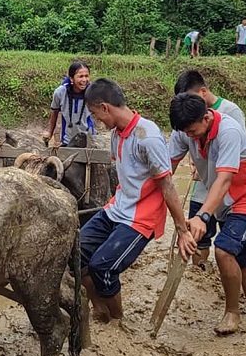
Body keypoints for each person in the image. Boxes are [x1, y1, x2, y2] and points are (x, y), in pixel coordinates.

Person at [77, 78, 190, 325]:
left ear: (106, 107)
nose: (98, 121)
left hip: (141, 217)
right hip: (117, 207)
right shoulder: (117, 134)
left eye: (97, 115)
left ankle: (117, 320)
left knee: (103, 268)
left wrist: (182, 230)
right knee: (76, 256)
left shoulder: (147, 136)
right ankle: (100, 310)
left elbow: (167, 184)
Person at [170, 93, 246, 336]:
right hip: (224, 202)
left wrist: (203, 216)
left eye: (193, 131)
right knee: (245, 254)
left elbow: (224, 179)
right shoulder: (185, 130)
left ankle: (232, 312)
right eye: (186, 133)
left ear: (206, 117)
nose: (190, 137)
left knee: (224, 250)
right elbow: (166, 169)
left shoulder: (229, 131)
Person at [171, 69, 246, 276]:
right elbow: (177, 155)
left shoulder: (230, 115)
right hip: (205, 184)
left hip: (232, 189)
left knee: (239, 241)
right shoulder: (186, 122)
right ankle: (200, 278)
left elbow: (232, 154)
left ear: (203, 93)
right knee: (199, 236)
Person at [43, 61, 95, 148]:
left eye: (86, 76)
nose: (84, 80)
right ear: (71, 78)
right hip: (67, 139)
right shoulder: (60, 92)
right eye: (80, 76)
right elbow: (55, 112)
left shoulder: (92, 93)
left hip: (88, 139)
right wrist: (50, 133)